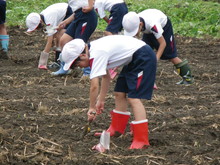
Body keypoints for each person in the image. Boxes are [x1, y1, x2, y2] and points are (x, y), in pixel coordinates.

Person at [61, 35, 157, 149]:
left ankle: (141, 139)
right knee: (119, 92)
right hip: (133, 59)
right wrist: (101, 100)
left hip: (143, 57)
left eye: (77, 64)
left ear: (82, 55)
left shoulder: (97, 54)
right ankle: (117, 129)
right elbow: (106, 77)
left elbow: (94, 86)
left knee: (133, 98)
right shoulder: (93, 52)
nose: (80, 67)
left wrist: (91, 108)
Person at [122, 9, 194, 85]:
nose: (135, 34)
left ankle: (188, 78)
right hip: (148, 31)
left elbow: (163, 43)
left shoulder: (153, 25)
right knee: (143, 52)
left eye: (135, 31)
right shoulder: (132, 22)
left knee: (171, 56)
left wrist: (155, 59)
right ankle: (145, 79)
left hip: (164, 28)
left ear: (140, 24)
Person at [51, 0, 98, 77]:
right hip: (77, 15)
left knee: (80, 44)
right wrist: (65, 22)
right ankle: (65, 68)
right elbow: (76, 10)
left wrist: (90, 6)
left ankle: (88, 70)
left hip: (87, 16)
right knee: (63, 41)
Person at [26, 3, 73, 70]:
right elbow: (52, 33)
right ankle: (58, 60)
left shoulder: (48, 20)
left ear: (40, 21)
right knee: (57, 36)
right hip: (60, 13)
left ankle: (61, 61)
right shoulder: (43, 16)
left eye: (37, 27)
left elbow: (49, 42)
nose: (38, 29)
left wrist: (43, 62)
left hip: (67, 12)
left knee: (60, 36)